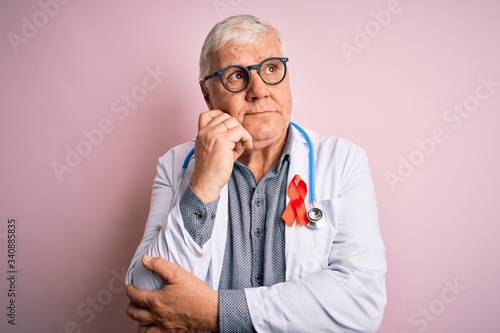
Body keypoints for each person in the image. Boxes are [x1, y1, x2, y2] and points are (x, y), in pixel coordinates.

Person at [125, 14, 387, 332]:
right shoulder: (175, 165)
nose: (259, 90)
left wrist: (213, 311)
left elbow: (361, 303)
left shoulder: (344, 161)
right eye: (237, 76)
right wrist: (204, 183)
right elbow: (147, 293)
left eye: (272, 69)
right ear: (207, 94)